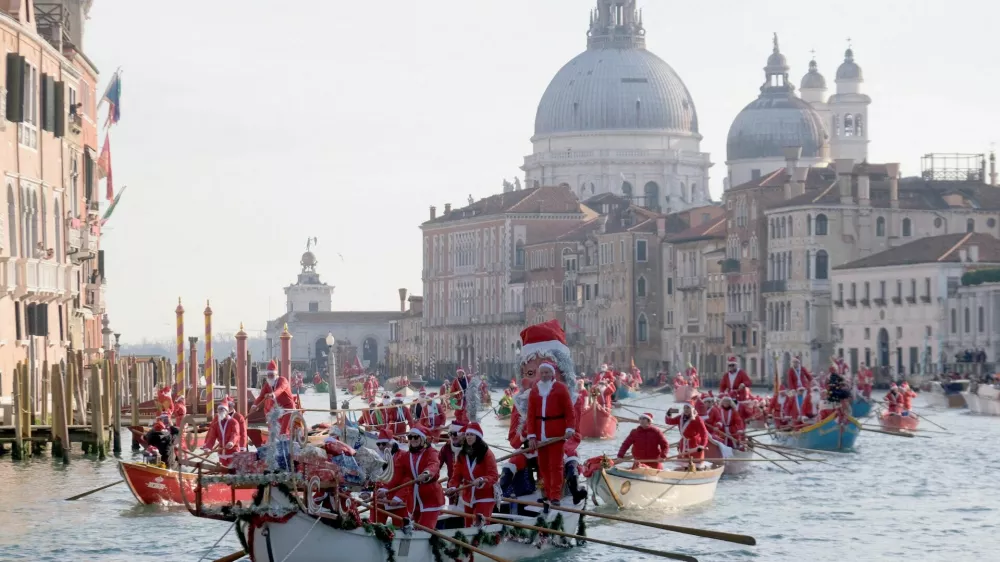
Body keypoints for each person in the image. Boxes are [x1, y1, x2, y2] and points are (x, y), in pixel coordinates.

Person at [526, 362, 576, 504]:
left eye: (547, 372)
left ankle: (555, 496)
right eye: (542, 373)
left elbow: (569, 410)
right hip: (539, 434)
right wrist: (531, 435)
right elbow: (530, 415)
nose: (544, 375)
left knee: (556, 466)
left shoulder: (561, 388)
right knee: (543, 467)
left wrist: (570, 428)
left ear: (552, 373)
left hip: (556, 434)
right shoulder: (535, 390)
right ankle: (547, 493)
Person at [377, 425, 445, 529]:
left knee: (424, 529)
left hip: (430, 497)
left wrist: (426, 473)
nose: (412, 440)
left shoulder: (432, 452)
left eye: (416, 437)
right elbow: (397, 475)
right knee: (414, 528)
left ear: (423, 439)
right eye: (410, 437)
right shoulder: (406, 456)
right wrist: (385, 489)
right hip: (414, 498)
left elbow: (434, 465)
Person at [446, 422, 499, 523]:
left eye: (472, 435)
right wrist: (452, 487)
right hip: (468, 496)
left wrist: (482, 480)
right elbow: (456, 476)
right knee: (468, 526)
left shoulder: (487, 453)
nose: (469, 437)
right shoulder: (462, 455)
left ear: (477, 437)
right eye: (467, 435)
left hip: (485, 495)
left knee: (480, 526)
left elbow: (494, 476)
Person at [249, 360, 296, 434]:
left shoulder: (283, 380)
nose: (270, 377)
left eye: (272, 375)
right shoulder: (267, 385)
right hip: (277, 410)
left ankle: (284, 440)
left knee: (283, 431)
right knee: (273, 429)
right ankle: (274, 441)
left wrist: (273, 394)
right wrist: (254, 405)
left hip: (288, 408)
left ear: (276, 375)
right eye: (269, 375)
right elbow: (261, 397)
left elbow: (280, 389)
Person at [664, 403, 709, 468]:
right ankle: (680, 472)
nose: (686, 410)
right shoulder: (680, 417)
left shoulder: (698, 419)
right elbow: (669, 421)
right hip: (683, 443)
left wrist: (702, 446)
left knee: (695, 464)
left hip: (694, 444)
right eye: (684, 408)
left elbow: (704, 434)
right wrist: (669, 412)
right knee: (681, 463)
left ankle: (697, 470)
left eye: (688, 408)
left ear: (692, 409)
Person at [203, 403, 240, 467]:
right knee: (223, 472)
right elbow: (212, 437)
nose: (220, 411)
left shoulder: (234, 422)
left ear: (227, 411)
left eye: (222, 409)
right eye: (219, 410)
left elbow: (235, 433)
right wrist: (208, 448)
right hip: (222, 453)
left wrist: (231, 442)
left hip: (233, 452)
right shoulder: (216, 424)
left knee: (234, 471)